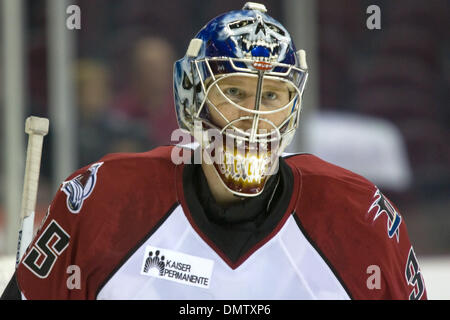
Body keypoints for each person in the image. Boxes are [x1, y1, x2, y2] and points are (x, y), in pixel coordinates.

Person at [1, 2, 426, 300]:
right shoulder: (101, 202)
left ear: (294, 107)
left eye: (273, 95)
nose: (254, 116)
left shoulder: (361, 219)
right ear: (193, 99)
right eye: (235, 91)